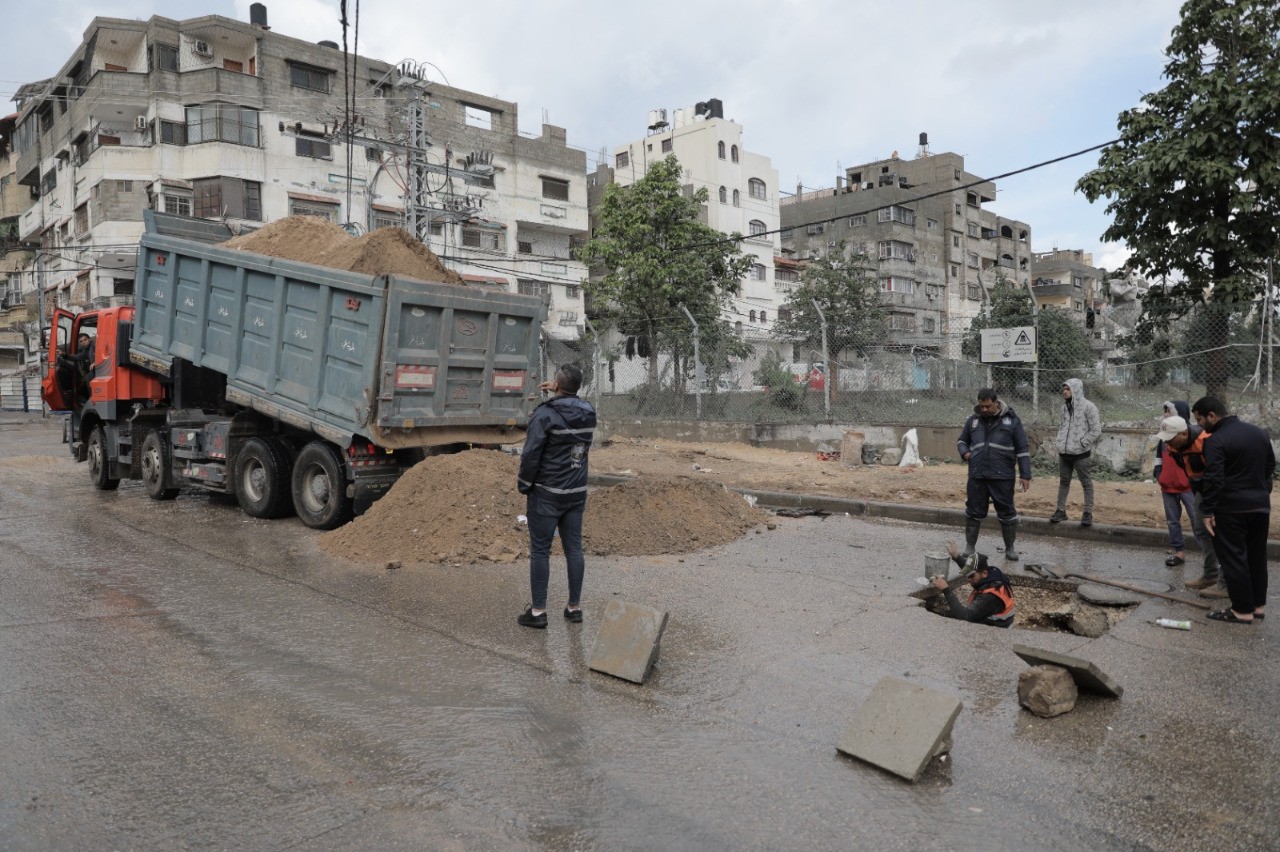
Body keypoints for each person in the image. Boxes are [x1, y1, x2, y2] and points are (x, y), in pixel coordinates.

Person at [516, 363, 596, 629]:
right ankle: (574, 608)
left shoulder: (544, 415)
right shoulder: (588, 412)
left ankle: (538, 612)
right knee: (574, 548)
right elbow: (572, 406)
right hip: (576, 491)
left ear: (557, 385)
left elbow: (531, 454)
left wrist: (525, 484)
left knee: (540, 550)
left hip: (546, 493)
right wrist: (562, 392)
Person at [1193, 396, 1273, 624]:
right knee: (1257, 556)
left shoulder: (1216, 441)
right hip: (1259, 506)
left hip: (1231, 509)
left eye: (1200, 419)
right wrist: (1259, 491)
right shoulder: (1259, 433)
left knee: (1233, 558)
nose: (1199, 425)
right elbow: (1269, 468)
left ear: (1211, 415)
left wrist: (1207, 511)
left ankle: (1241, 610)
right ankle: (1257, 606)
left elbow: (1214, 479)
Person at [957, 388, 1032, 561]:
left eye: (987, 406)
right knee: (973, 511)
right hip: (977, 475)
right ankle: (969, 547)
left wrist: (1025, 474)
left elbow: (1022, 448)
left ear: (996, 403)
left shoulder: (1012, 421)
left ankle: (1010, 548)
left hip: (1002, 476)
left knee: (1007, 513)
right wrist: (966, 454)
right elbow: (962, 441)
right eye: (981, 406)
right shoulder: (973, 421)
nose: (984, 410)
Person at [1158, 413, 1220, 589]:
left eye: (1171, 439)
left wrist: (1210, 506)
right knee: (1202, 529)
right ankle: (1211, 574)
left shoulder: (1206, 441)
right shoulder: (1173, 447)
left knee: (1214, 529)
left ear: (1184, 434)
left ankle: (1225, 578)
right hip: (1200, 488)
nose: (1167, 444)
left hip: (1217, 489)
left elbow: (1216, 474)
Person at [1152, 402, 1202, 567]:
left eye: (1169, 411)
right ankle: (1179, 552)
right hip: (1168, 486)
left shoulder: (1188, 435)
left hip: (1188, 487)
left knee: (1197, 520)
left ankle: (1209, 556)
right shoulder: (1165, 436)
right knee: (1172, 521)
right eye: (1164, 411)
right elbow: (1159, 456)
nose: (1166, 414)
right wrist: (1159, 473)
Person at [1049, 378, 1102, 527]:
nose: (1064, 392)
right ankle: (1060, 511)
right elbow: (1062, 427)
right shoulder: (1064, 408)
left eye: (1068, 389)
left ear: (1076, 390)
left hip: (1080, 454)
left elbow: (1096, 430)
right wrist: (1060, 442)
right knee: (1064, 481)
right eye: (1064, 389)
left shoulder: (1089, 407)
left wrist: (1082, 443)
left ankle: (1087, 513)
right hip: (1064, 453)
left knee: (1086, 482)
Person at [929, 540, 1016, 628]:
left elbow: (963, 617)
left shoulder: (990, 597)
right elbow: (971, 570)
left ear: (984, 573)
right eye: (967, 575)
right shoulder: (990, 573)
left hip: (997, 629)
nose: (968, 579)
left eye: (971, 576)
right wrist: (957, 556)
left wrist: (946, 589)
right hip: (993, 619)